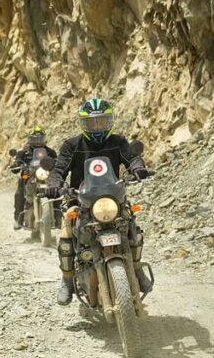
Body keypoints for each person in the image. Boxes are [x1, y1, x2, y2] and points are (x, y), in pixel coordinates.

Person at [44, 98, 152, 305]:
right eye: (92, 122)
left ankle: (136, 270)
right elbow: (59, 168)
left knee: (132, 226)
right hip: (80, 199)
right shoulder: (71, 145)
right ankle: (67, 281)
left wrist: (138, 167)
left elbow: (131, 158)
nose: (97, 126)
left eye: (101, 121)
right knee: (67, 232)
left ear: (109, 121)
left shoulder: (119, 142)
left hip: (112, 198)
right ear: (83, 124)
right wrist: (54, 181)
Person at [10, 125, 57, 236]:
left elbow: (57, 160)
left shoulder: (50, 152)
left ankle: (58, 217)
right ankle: (18, 219)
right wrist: (16, 165)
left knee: (57, 190)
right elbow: (17, 161)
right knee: (19, 193)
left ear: (44, 139)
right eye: (35, 139)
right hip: (29, 176)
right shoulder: (23, 152)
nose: (37, 142)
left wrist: (58, 164)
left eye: (40, 139)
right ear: (30, 140)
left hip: (44, 176)